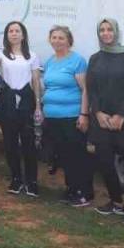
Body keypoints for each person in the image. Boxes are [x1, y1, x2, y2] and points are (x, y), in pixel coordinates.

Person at [88, 18, 124, 226]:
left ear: (116, 32)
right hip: (101, 120)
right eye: (101, 30)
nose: (105, 33)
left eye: (109, 29)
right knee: (105, 164)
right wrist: (98, 113)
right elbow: (91, 89)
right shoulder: (95, 59)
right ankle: (116, 202)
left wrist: (120, 115)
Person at [0, 20, 43, 197]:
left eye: (17, 30)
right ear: (6, 35)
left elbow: (35, 81)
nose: (14, 33)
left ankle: (32, 181)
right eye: (10, 31)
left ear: (23, 34)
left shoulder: (32, 56)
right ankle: (16, 179)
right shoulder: (1, 54)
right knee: (10, 141)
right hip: (8, 100)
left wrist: (37, 105)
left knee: (28, 141)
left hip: (26, 99)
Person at [42, 25, 92, 207]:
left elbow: (85, 89)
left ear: (69, 40)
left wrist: (84, 114)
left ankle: (83, 193)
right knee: (63, 156)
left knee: (76, 156)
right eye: (54, 37)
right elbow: (47, 87)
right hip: (53, 118)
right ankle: (71, 190)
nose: (57, 41)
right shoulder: (50, 61)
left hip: (72, 116)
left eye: (61, 38)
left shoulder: (77, 61)